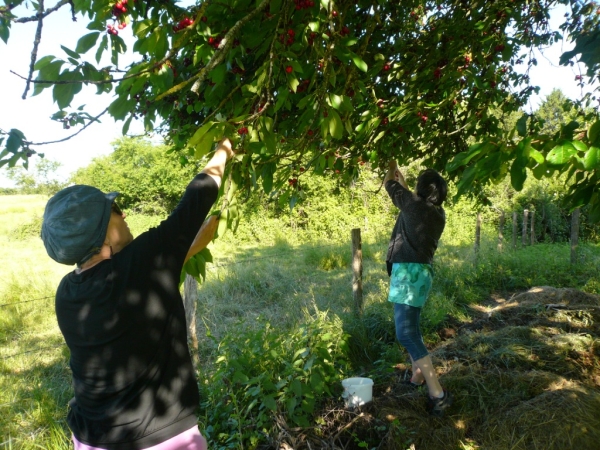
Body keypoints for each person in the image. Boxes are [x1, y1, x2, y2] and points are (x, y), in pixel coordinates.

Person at [40, 138, 235, 449]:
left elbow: (168, 259)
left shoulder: (67, 292)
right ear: (102, 230)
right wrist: (224, 149)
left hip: (91, 438)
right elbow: (199, 195)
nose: (124, 216)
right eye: (116, 210)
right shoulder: (142, 262)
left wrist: (206, 232)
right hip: (160, 438)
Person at [383, 160, 452, 416]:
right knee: (413, 329)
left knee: (405, 334)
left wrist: (391, 168)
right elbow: (411, 199)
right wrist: (405, 184)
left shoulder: (413, 206)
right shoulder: (436, 213)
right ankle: (417, 376)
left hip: (408, 275)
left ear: (422, 190)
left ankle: (438, 393)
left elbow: (389, 185)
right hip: (421, 274)